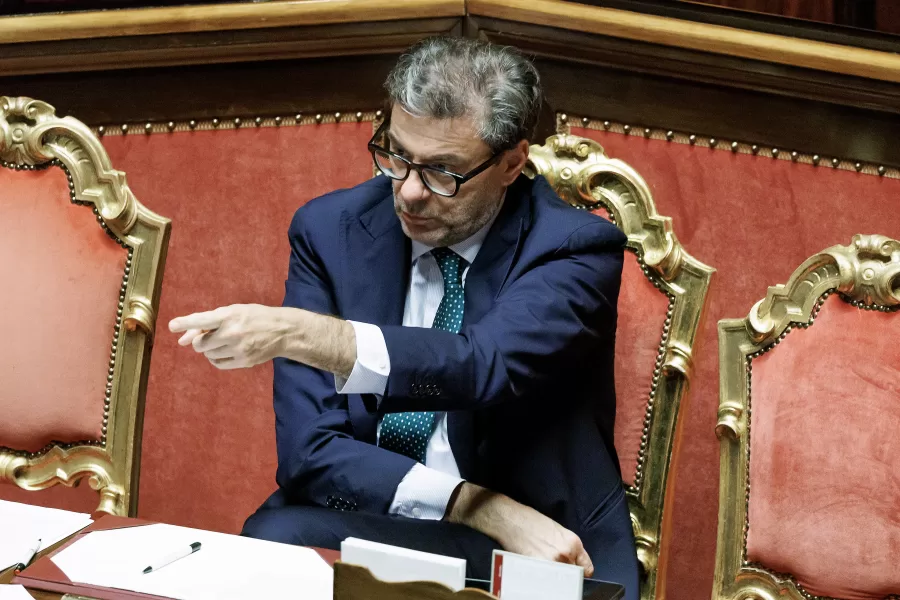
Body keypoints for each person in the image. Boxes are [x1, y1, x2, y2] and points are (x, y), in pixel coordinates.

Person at [169, 36, 639, 598]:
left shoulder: (572, 247)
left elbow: (480, 366)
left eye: (444, 172)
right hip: (390, 514)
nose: (410, 193)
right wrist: (476, 508)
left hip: (541, 541)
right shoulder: (330, 231)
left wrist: (306, 333)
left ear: (513, 161)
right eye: (396, 155)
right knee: (271, 538)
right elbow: (309, 452)